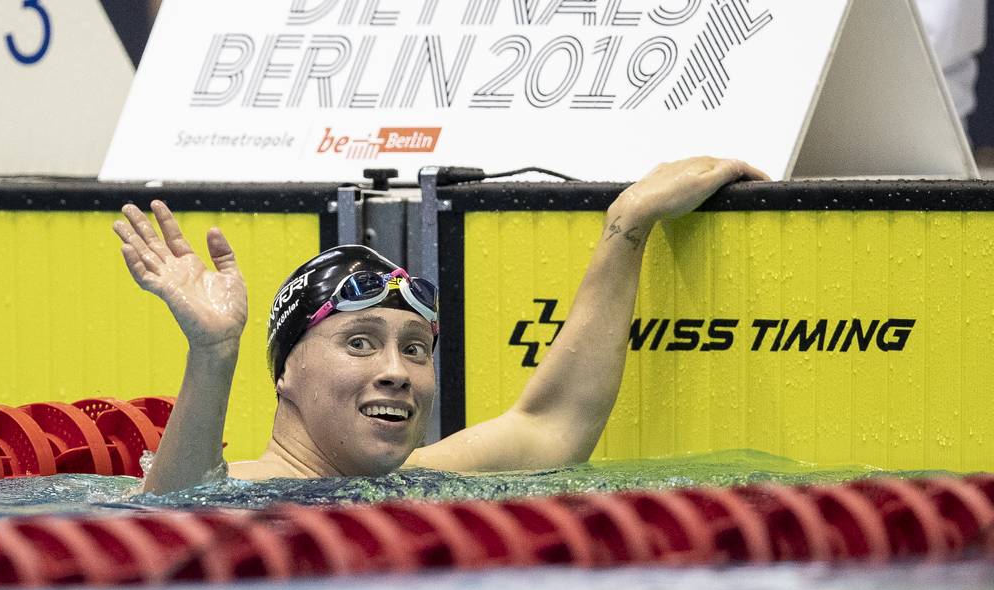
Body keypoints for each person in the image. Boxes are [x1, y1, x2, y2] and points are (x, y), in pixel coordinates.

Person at [112, 157, 768, 494]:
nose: (396, 371)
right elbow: (174, 515)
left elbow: (552, 426)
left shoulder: (422, 477)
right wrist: (214, 352)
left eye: (416, 349)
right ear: (286, 370)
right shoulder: (254, 487)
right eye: (359, 342)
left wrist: (628, 224)